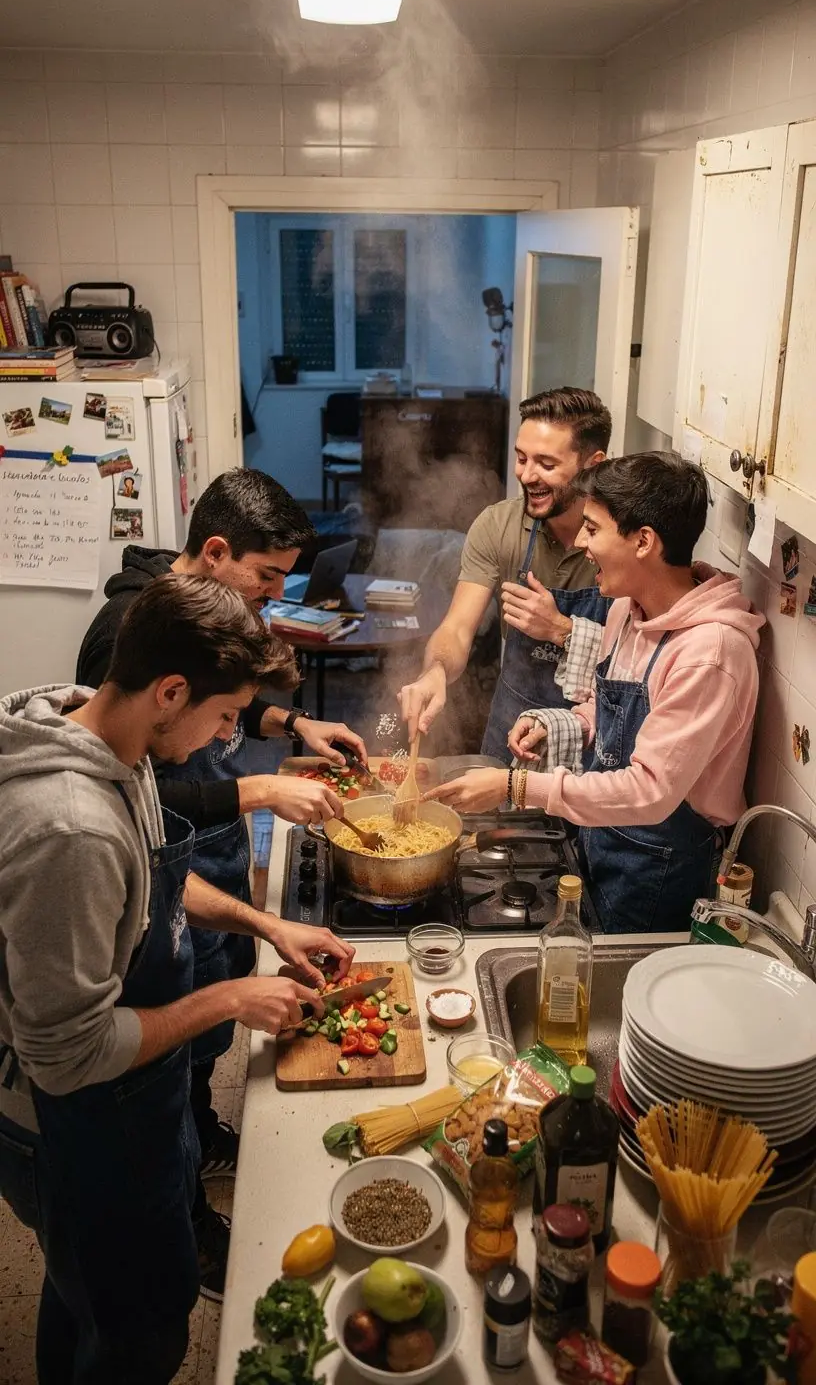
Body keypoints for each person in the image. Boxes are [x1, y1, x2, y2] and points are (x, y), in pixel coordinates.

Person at [0, 574, 353, 1385]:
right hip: (76, 1122)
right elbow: (67, 1052)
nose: (228, 736)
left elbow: (153, 882)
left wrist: (265, 925)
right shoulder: (69, 830)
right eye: (226, 717)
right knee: (136, 1334)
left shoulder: (109, 735)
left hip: (139, 1099)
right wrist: (231, 997)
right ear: (169, 691)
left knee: (83, 1297)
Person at [76, 467, 365, 1291]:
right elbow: (146, 796)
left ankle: (202, 1138)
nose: (275, 595)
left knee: (198, 1057)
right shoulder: (123, 634)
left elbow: (217, 698)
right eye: (267, 576)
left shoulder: (198, 620)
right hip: (170, 870)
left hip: (204, 872)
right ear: (213, 551)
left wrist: (293, 721)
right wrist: (261, 787)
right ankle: (188, 1220)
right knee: (169, 1058)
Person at [424, 453, 764, 934]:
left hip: (659, 870)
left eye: (592, 528)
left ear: (643, 541)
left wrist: (514, 786)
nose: (581, 543)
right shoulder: (628, 608)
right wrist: (565, 720)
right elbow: (606, 705)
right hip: (601, 841)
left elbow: (649, 792)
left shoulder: (709, 653)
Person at [398, 387, 613, 762]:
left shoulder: (621, 538)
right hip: (511, 730)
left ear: (592, 465)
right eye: (521, 458)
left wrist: (561, 630)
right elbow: (457, 628)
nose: (527, 475)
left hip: (593, 739)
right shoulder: (498, 525)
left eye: (546, 464)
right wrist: (435, 671)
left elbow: (640, 659)